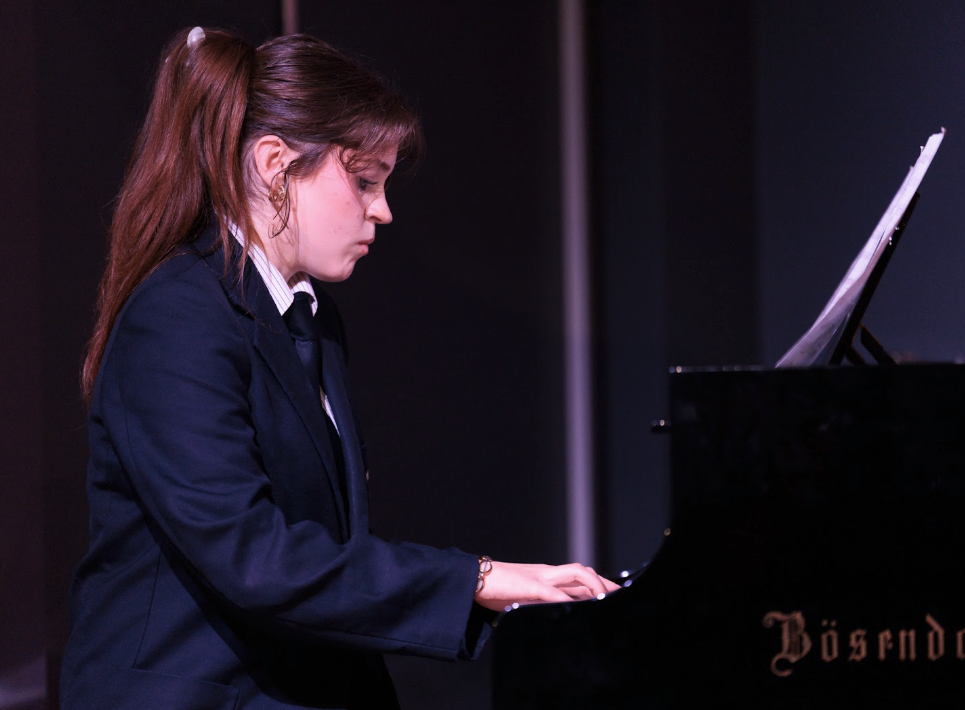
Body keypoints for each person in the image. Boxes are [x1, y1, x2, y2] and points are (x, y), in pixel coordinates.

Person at [61, 26, 618, 710]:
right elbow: (252, 556)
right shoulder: (177, 315)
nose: (383, 210)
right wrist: (477, 579)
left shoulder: (310, 319)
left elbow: (321, 561)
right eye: (363, 181)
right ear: (274, 164)